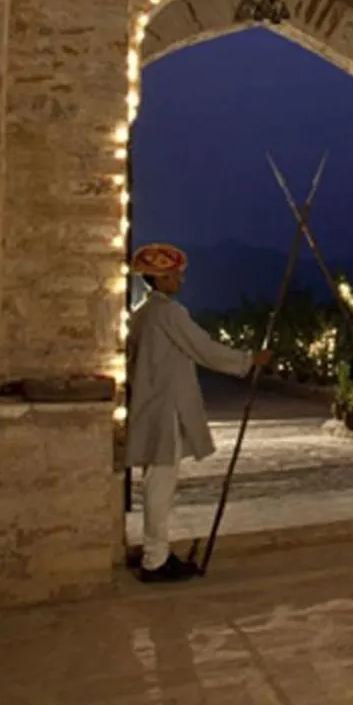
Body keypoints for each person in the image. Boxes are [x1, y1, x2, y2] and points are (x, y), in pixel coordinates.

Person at [124, 243, 269, 583]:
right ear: (159, 279)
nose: (180, 281)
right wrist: (248, 360)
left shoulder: (141, 314)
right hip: (164, 409)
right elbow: (203, 349)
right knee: (160, 484)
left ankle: (155, 551)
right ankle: (155, 558)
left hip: (150, 404)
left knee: (156, 482)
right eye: (174, 275)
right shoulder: (169, 314)